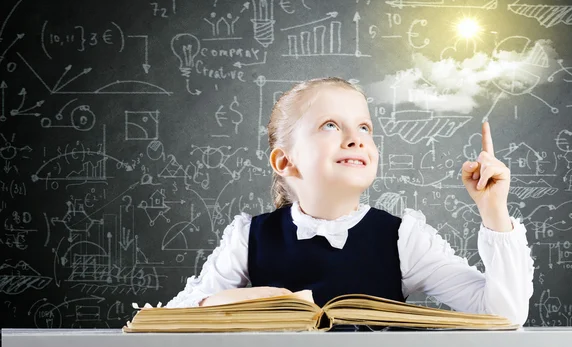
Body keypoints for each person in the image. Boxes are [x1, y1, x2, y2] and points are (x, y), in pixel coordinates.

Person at [165, 77, 534, 326]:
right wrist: (262, 300)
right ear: (284, 161)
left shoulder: (404, 238)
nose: (355, 139)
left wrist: (493, 209)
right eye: (330, 125)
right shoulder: (248, 237)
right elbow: (172, 319)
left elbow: (504, 315)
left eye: (364, 128)